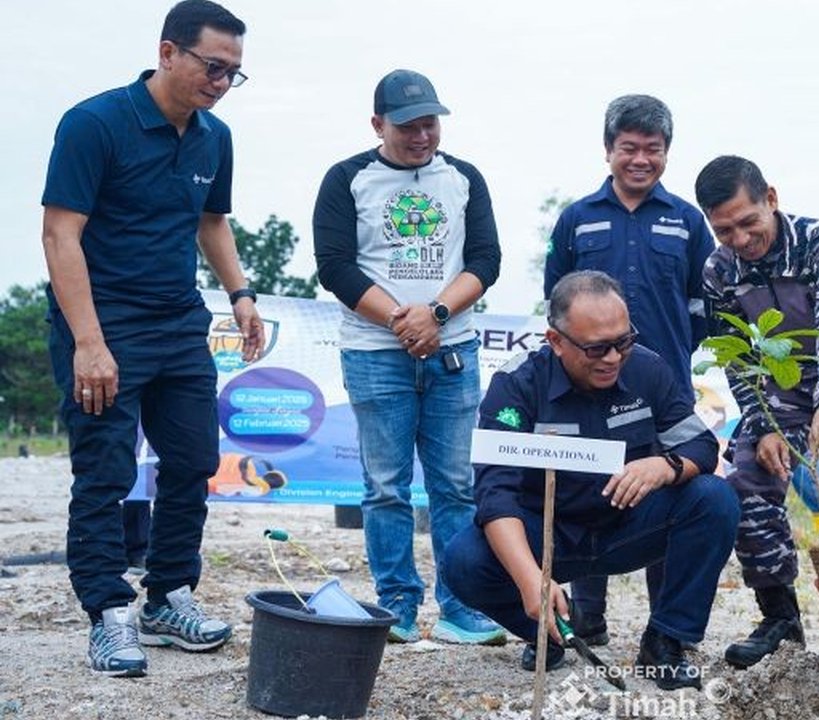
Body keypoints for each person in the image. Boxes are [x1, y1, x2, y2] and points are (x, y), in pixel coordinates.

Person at [40, 0, 260, 677]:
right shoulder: (93, 123)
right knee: (105, 471)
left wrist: (240, 293)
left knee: (193, 462)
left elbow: (211, 221)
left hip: (177, 321)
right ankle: (108, 613)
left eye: (233, 74)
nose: (221, 83)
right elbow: (60, 234)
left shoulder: (213, 137)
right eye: (212, 66)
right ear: (168, 52)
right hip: (102, 324)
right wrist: (88, 342)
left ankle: (167, 596)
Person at [442, 271, 739, 689]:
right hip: (547, 537)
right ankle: (551, 633)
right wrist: (533, 581)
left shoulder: (648, 369)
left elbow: (703, 447)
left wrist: (665, 466)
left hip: (627, 525)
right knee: (463, 561)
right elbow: (495, 495)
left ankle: (665, 640)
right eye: (597, 348)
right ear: (556, 341)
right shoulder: (516, 385)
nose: (614, 358)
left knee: (714, 498)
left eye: (623, 341)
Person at [313, 69, 504, 646]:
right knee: (386, 487)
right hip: (376, 352)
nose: (422, 136)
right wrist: (402, 319)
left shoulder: (464, 178)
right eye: (408, 126)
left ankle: (461, 606)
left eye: (430, 124)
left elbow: (486, 259)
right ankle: (396, 603)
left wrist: (436, 315)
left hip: (453, 351)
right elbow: (336, 266)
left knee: (455, 485)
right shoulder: (347, 179)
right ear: (378, 125)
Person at [543, 94, 715, 646]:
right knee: (590, 492)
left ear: (668, 153)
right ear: (608, 150)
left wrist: (668, 355)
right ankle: (586, 621)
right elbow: (557, 296)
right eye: (629, 148)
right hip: (586, 390)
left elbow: (704, 303)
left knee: (671, 490)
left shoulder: (687, 221)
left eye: (653, 150)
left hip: (662, 389)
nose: (640, 160)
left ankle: (665, 629)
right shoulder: (577, 219)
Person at [696, 155, 819, 668]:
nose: (740, 239)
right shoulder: (717, 270)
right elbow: (736, 359)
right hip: (779, 391)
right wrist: (759, 422)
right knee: (747, 478)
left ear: (770, 199)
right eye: (724, 229)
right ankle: (779, 618)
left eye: (748, 222)